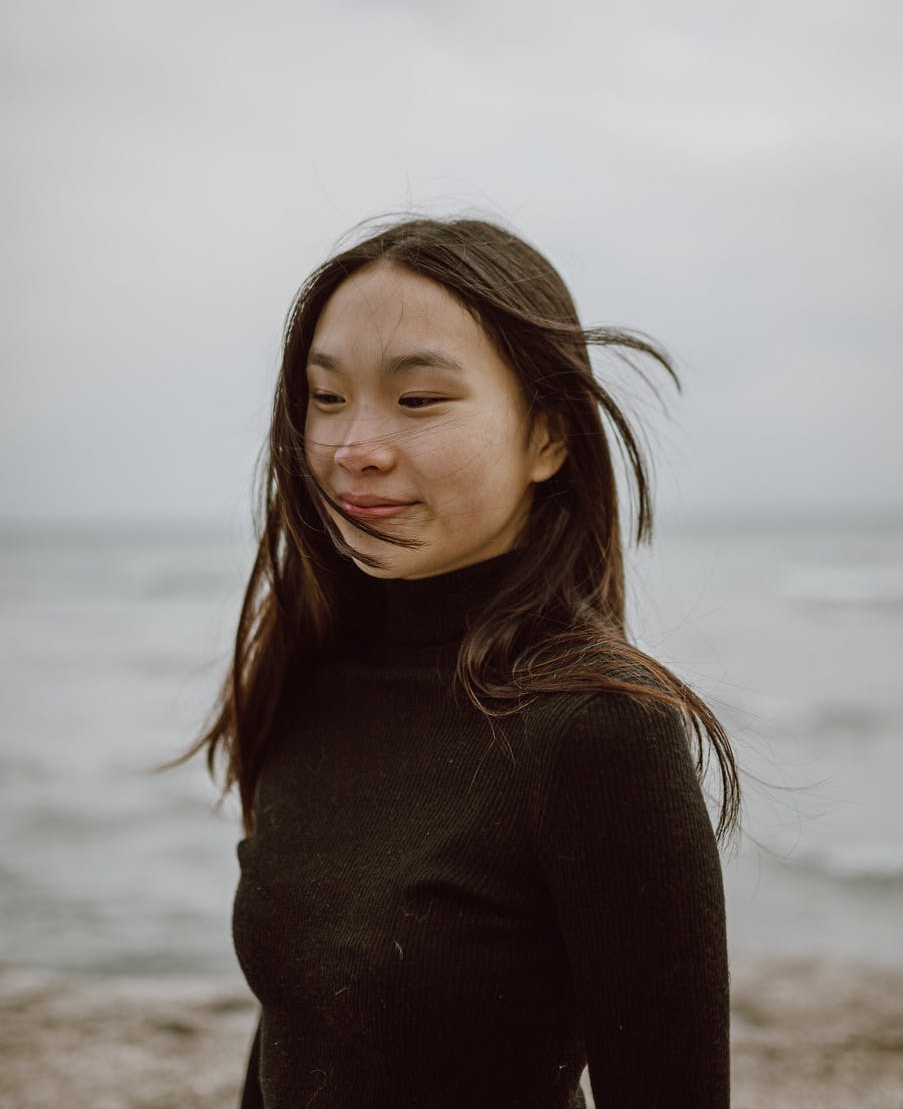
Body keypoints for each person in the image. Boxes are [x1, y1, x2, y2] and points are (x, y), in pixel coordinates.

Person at [188, 216, 739, 1108]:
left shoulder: (601, 729)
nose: (350, 448)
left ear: (548, 439)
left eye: (418, 401)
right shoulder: (308, 679)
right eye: (326, 398)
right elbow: (300, 1033)